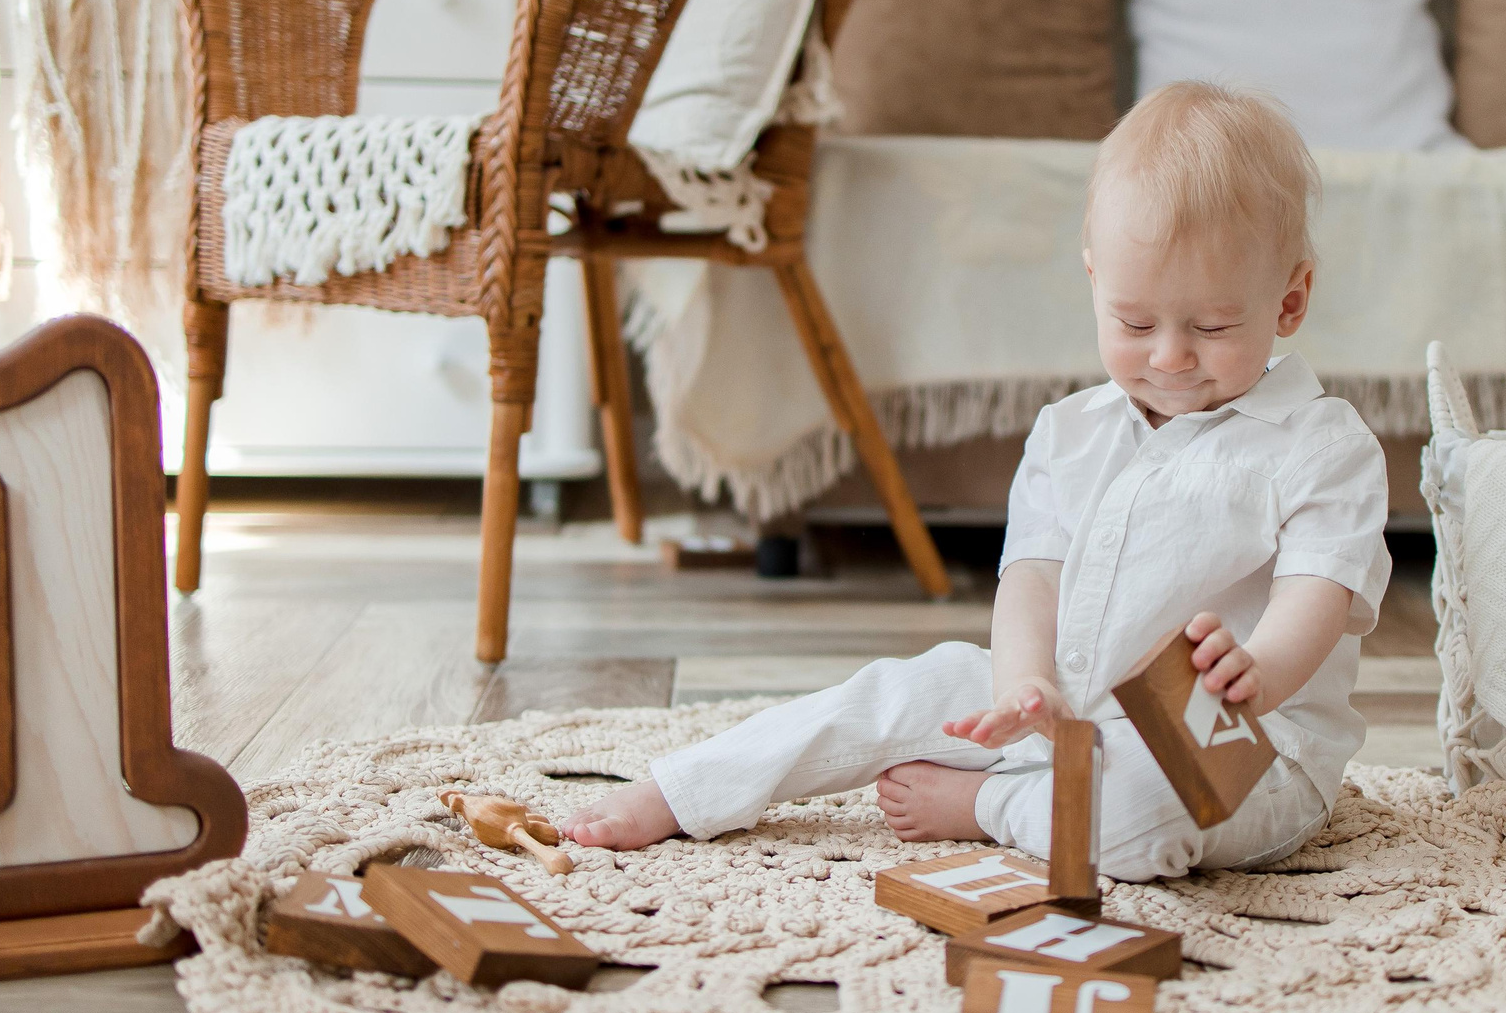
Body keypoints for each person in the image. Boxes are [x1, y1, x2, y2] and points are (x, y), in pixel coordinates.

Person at [561, 81, 1391, 879]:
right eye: (1136, 324)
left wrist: (1260, 668)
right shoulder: (1070, 432)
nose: (1170, 356)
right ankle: (680, 791)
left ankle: (993, 804)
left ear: (1290, 300)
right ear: (1096, 279)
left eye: (1213, 327)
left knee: (1136, 817)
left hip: (1242, 744)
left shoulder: (1322, 445)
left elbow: (1315, 598)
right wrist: (1023, 683)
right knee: (892, 694)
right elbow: (1031, 578)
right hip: (1065, 704)